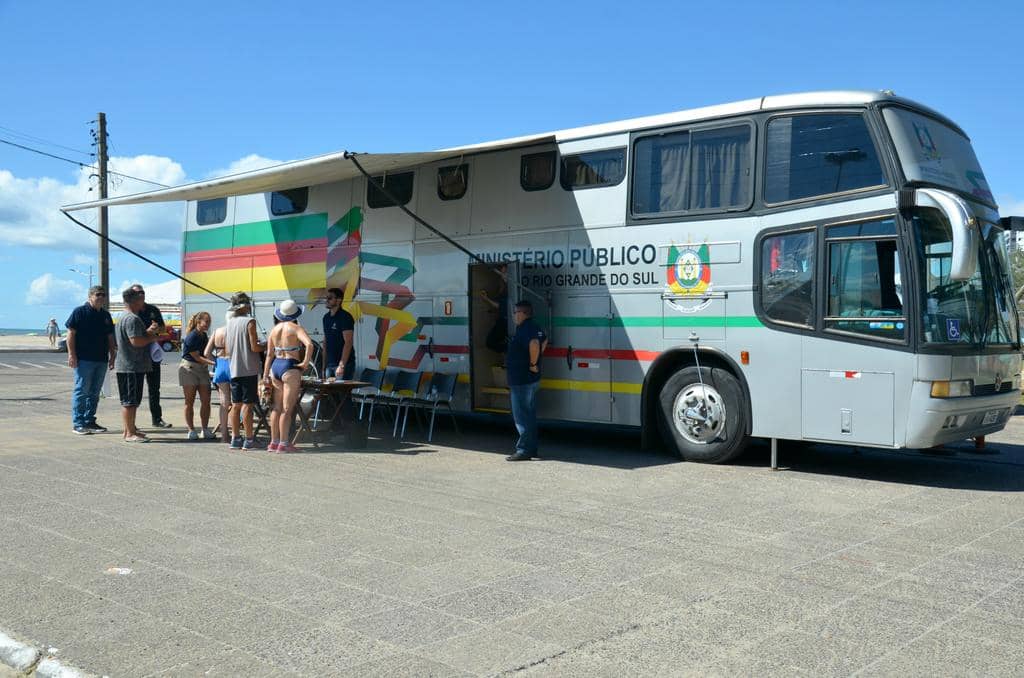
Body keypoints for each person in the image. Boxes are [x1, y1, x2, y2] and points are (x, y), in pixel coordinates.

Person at [262, 300, 314, 452]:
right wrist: (305, 362)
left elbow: (269, 355)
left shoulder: (274, 329)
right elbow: (309, 344)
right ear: (296, 314)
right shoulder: (296, 328)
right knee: (287, 408)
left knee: (276, 408)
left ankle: (273, 442)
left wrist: (265, 374)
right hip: (290, 366)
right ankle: (284, 443)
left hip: (275, 366)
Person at [65, 286, 116, 435]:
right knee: (82, 390)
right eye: (98, 295)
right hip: (84, 359)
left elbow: (110, 337)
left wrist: (112, 355)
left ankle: (89, 421)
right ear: (90, 296)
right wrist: (71, 354)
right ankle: (78, 423)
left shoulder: (105, 315)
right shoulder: (79, 312)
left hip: (101, 359)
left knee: (94, 392)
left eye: (103, 295)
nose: (101, 297)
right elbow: (71, 334)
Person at [506, 300, 547, 461]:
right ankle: (532, 449)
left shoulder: (525, 329)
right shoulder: (534, 327)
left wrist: (532, 363)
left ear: (523, 313)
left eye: (515, 312)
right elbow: (543, 340)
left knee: (521, 416)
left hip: (522, 379)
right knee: (529, 415)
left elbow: (535, 343)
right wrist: (535, 361)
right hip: (529, 379)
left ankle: (523, 450)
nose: (514, 316)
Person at [115, 287, 158, 443]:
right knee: (130, 402)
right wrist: (152, 339)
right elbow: (136, 341)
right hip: (131, 366)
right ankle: (129, 434)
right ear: (134, 300)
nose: (143, 301)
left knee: (131, 401)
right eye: (140, 298)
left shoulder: (125, 317)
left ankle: (130, 429)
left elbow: (136, 337)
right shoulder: (132, 318)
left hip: (130, 366)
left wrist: (148, 332)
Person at [225, 292, 265, 450]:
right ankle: (249, 439)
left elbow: (228, 348)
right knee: (248, 405)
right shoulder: (250, 321)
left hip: (234, 367)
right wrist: (266, 345)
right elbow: (254, 346)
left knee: (236, 405)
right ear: (245, 305)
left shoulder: (230, 322)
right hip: (248, 367)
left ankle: (235, 438)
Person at [130, 284, 171, 429]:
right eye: (137, 293)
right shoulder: (132, 312)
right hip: (137, 356)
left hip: (153, 355)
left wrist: (156, 329)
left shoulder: (152, 310)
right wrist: (147, 331)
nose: (141, 295)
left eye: (142, 292)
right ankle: (131, 423)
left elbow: (162, 328)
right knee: (137, 391)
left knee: (154, 389)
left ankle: (157, 419)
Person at [179, 311, 217, 441]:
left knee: (206, 400)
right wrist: (214, 362)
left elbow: (206, 353)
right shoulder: (192, 336)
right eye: (206, 321)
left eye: (209, 322)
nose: (208, 324)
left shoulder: (204, 336)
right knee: (189, 401)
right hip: (189, 368)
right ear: (198, 322)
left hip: (202, 369)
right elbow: (196, 356)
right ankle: (191, 430)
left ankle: (205, 429)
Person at [203, 311, 233, 442]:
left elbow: (206, 352)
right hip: (234, 364)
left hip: (221, 364)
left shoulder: (217, 331)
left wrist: (216, 362)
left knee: (223, 402)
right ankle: (236, 433)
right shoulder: (236, 330)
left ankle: (224, 435)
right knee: (239, 402)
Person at [322, 287, 355, 380]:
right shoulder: (326, 318)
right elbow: (325, 342)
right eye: (326, 298)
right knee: (329, 393)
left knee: (342, 393)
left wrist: (342, 365)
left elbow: (348, 342)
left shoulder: (345, 317)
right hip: (329, 365)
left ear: (339, 300)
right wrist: (323, 366)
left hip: (343, 364)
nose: (326, 300)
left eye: (330, 298)